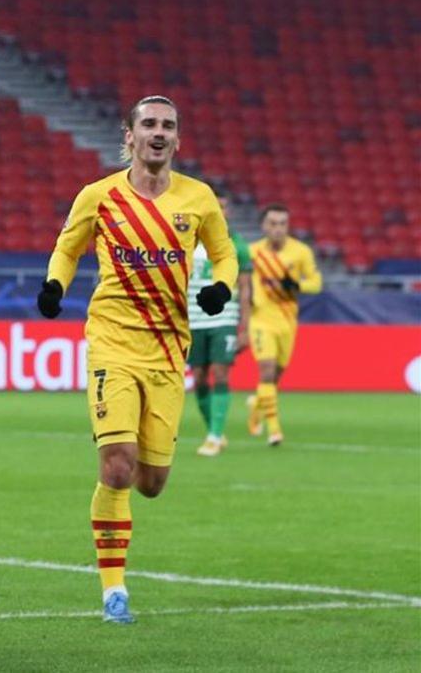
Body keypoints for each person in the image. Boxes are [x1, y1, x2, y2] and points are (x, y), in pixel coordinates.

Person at [36, 95, 236, 623]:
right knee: (118, 465)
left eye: (168, 125)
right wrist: (55, 285)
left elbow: (225, 253)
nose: (158, 133)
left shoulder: (199, 199)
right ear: (128, 136)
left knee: (150, 482)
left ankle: (122, 486)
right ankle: (113, 590)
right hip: (111, 344)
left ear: (177, 138)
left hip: (168, 351)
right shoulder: (99, 196)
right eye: (148, 124)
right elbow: (67, 246)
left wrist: (222, 286)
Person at [245, 204, 322, 446]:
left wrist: (297, 286)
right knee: (266, 371)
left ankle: (257, 405)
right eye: (273, 223)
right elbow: (243, 283)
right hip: (260, 320)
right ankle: (275, 430)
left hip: (287, 321)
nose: (278, 229)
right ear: (263, 226)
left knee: (275, 376)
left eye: (282, 224)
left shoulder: (300, 252)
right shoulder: (252, 253)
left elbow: (316, 282)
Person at [187, 191, 253, 457]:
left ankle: (214, 435)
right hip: (193, 318)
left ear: (229, 212)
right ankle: (214, 430)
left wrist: (245, 328)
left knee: (221, 372)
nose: (219, 210)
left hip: (224, 318)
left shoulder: (237, 245)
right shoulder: (189, 240)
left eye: (223, 206)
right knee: (200, 377)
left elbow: (246, 289)